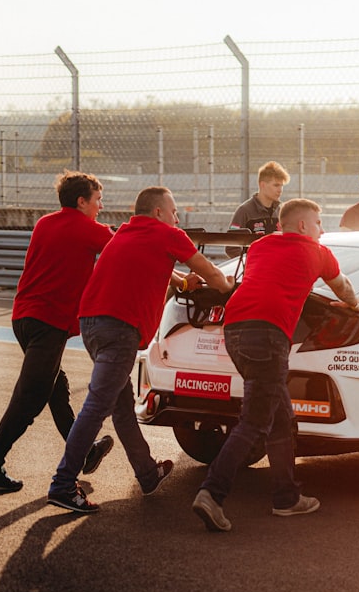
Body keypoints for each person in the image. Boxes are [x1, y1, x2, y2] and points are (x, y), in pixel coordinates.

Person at [47, 186, 234, 513]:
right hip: (120, 329)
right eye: (174, 211)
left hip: (91, 323)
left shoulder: (125, 233)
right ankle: (62, 484)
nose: (177, 217)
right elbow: (215, 276)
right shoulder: (169, 234)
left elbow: (160, 270)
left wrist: (182, 283)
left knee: (120, 406)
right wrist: (229, 288)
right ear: (160, 212)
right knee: (97, 405)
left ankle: (148, 474)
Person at [192, 198, 359, 532]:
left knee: (280, 416)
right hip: (269, 334)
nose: (322, 229)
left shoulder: (260, 247)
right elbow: (343, 287)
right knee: (256, 420)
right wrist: (354, 303)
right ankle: (211, 493)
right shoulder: (317, 252)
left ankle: (286, 497)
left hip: (235, 331)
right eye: (318, 222)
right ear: (303, 225)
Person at [0, 171, 115, 493]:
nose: (100, 206)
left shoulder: (45, 223)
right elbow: (124, 250)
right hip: (48, 322)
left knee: (56, 386)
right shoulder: (89, 229)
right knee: (28, 400)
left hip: (23, 318)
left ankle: (85, 451)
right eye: (97, 200)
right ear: (82, 201)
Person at [226, 161, 290, 257]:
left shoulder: (283, 211)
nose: (280, 190)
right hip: (254, 269)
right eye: (276, 185)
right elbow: (231, 247)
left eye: (282, 186)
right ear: (262, 185)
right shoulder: (244, 211)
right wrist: (250, 263)